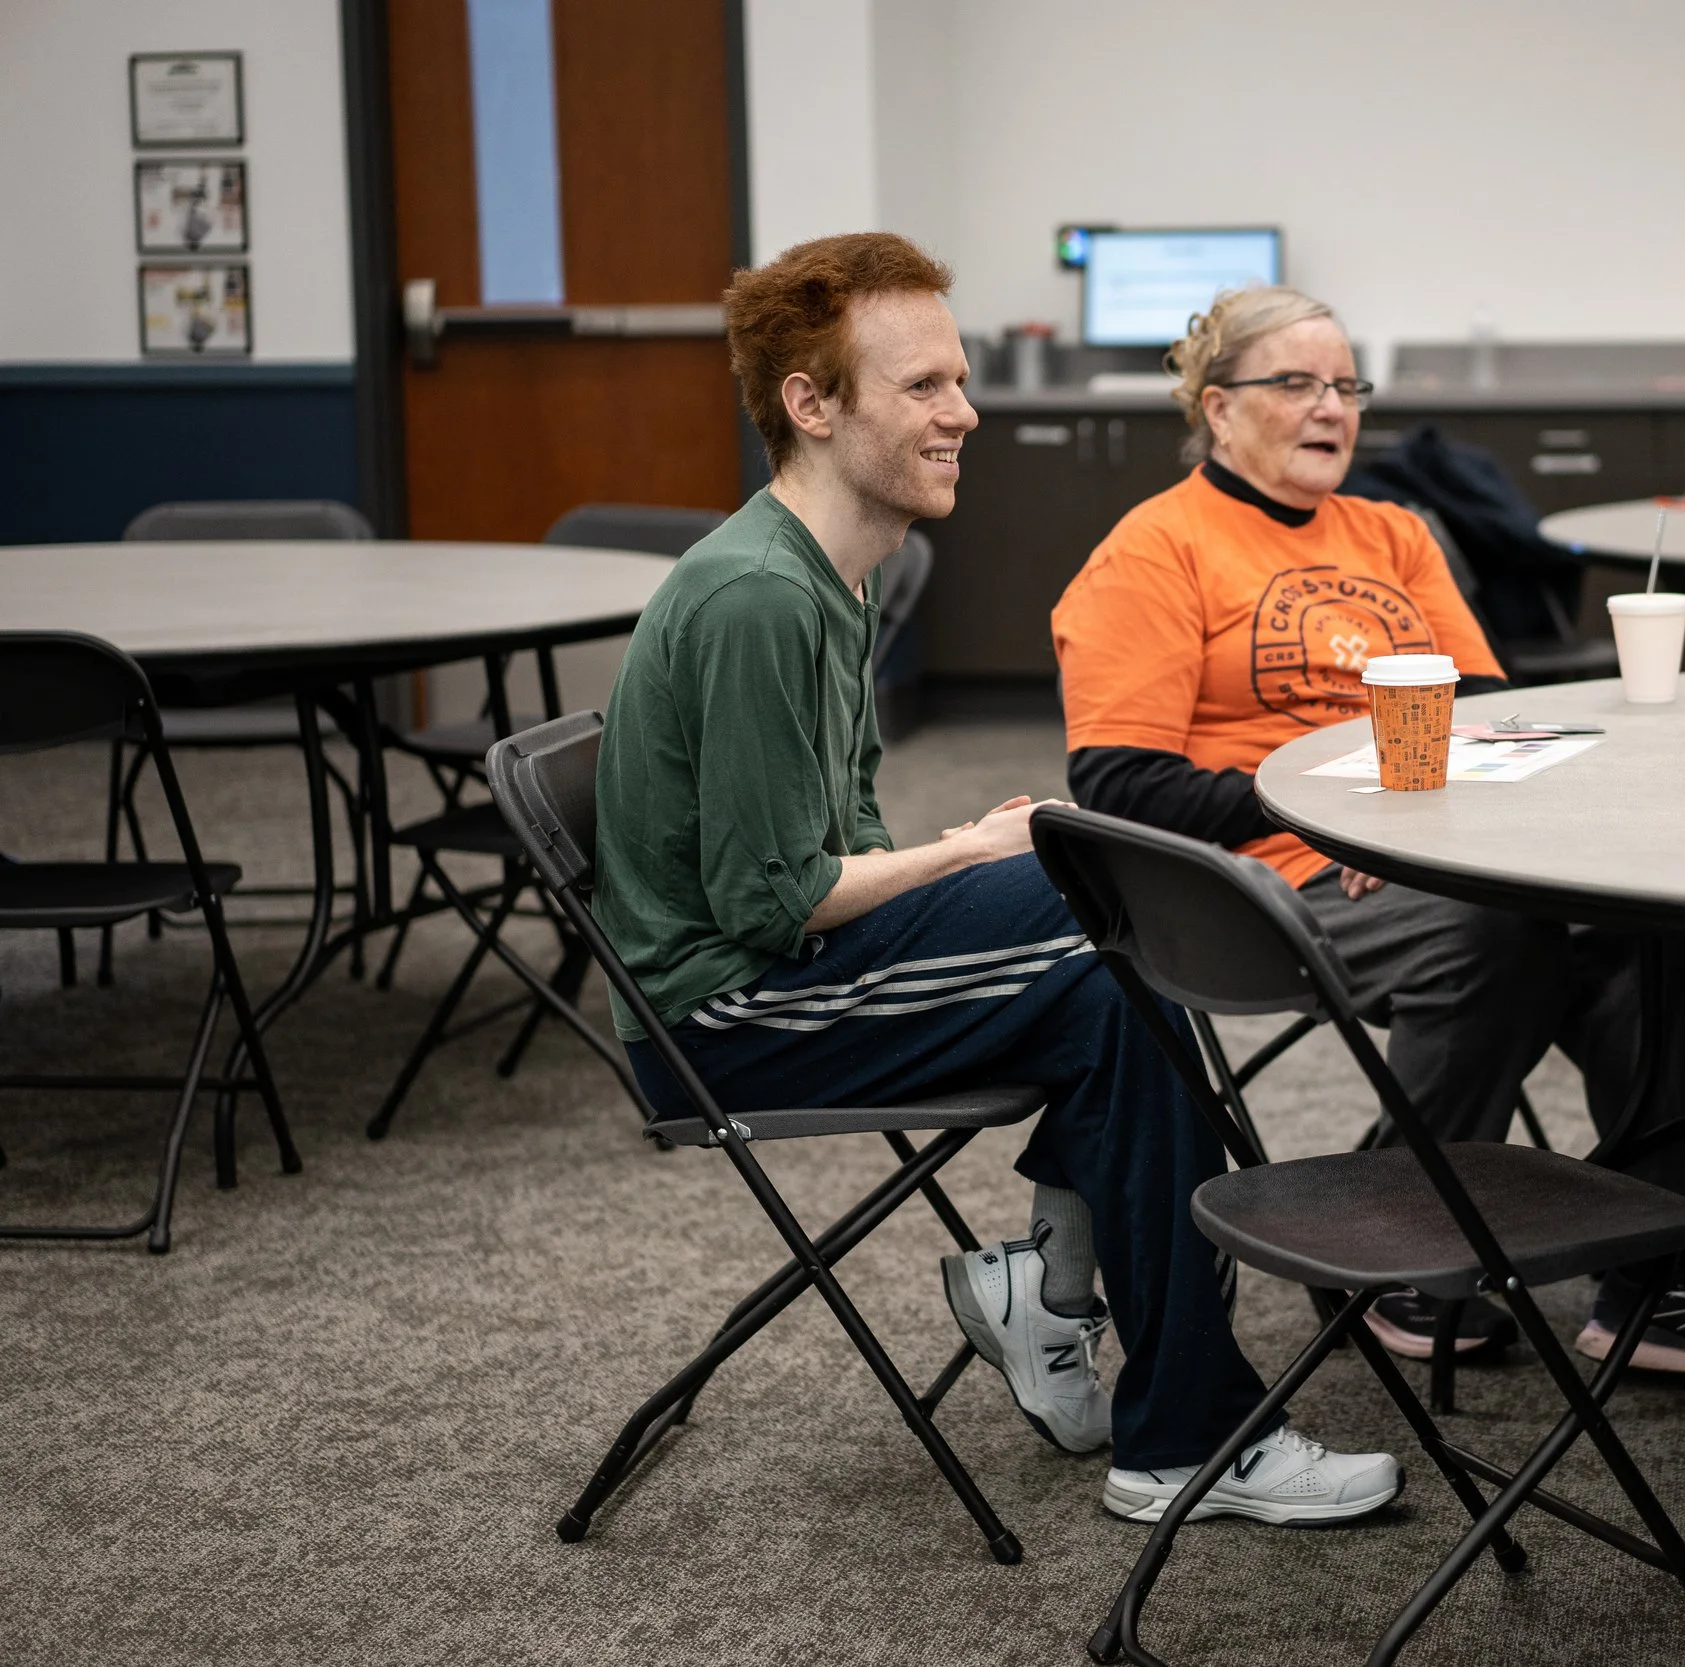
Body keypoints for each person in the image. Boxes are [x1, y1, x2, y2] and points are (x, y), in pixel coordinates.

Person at [590, 232, 1401, 1528]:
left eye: (958, 379)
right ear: (811, 404)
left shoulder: (836, 572)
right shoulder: (760, 597)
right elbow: (770, 901)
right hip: (725, 1018)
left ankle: (1072, 1310)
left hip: (778, 968)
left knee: (1114, 925)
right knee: (1113, 919)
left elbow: (830, 843)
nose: (964, 411)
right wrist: (972, 850)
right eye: (923, 386)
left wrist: (973, 850)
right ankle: (1176, 1416)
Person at [1052, 285, 1685, 1384]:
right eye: (1296, 383)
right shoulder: (1153, 551)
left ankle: (1664, 1280)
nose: (1331, 407)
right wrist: (1334, 811)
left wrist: (1441, 821)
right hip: (1256, 885)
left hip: (1430, 854)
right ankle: (1402, 1255)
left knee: (1649, 931)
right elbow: (1117, 781)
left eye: (1345, 386)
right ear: (1217, 406)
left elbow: (1481, 711)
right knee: (1492, 937)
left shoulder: (1393, 531)